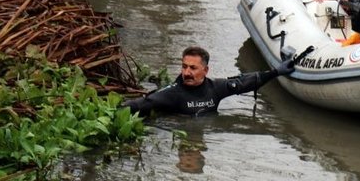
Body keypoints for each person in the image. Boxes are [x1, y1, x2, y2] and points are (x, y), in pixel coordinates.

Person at [122, 46, 294, 117]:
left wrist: (276, 72)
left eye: (193, 68)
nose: (187, 72)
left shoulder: (215, 88)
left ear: (205, 70)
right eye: (184, 66)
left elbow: (244, 83)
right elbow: (139, 105)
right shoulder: (171, 94)